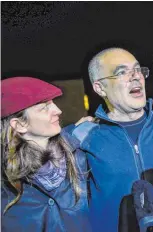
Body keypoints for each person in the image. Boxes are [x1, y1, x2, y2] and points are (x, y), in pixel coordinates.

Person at [68, 48, 153, 232]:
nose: (136, 76)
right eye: (122, 72)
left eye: (138, 69)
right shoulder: (83, 136)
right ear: (100, 88)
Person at [1, 76, 91, 232]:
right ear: (20, 124)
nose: (58, 111)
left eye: (53, 104)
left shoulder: (80, 157)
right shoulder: (5, 183)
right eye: (44, 107)